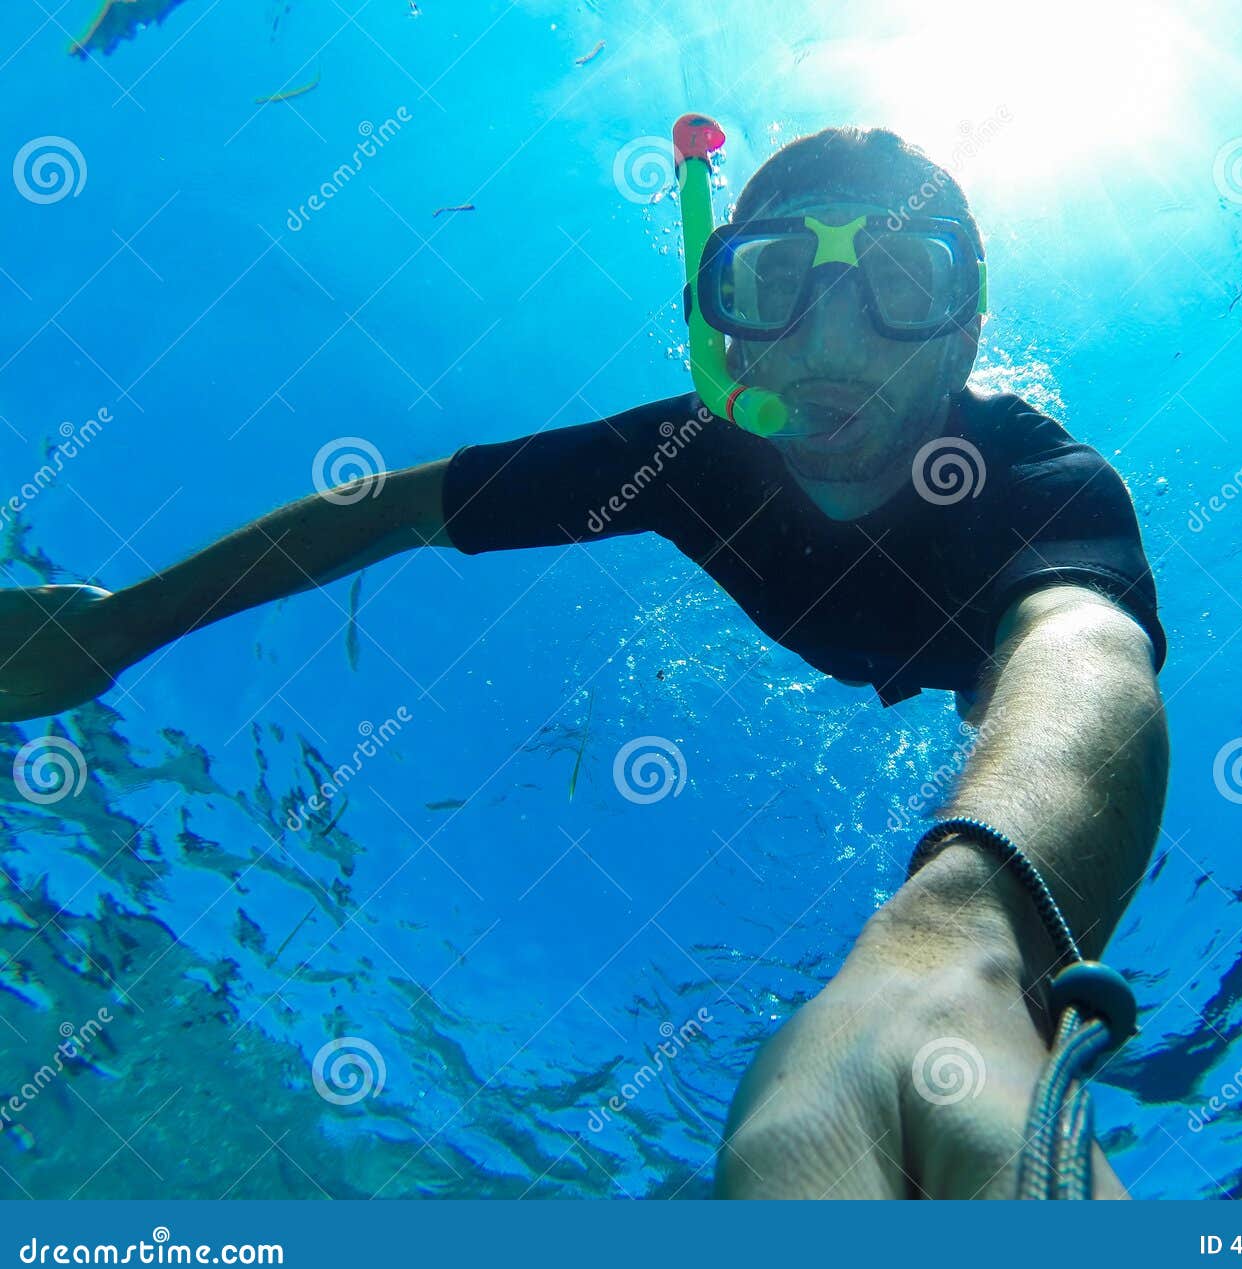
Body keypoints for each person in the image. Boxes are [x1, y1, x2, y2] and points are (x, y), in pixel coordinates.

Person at [0, 126, 1169, 1198]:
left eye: (903, 281)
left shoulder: (1037, 478)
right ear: (723, 325)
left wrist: (963, 934)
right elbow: (392, 506)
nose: (831, 338)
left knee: (1013, 688)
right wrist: (117, 626)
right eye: (771, 282)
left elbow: (1086, 654)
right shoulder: (683, 454)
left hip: (986, 648)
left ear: (966, 328)